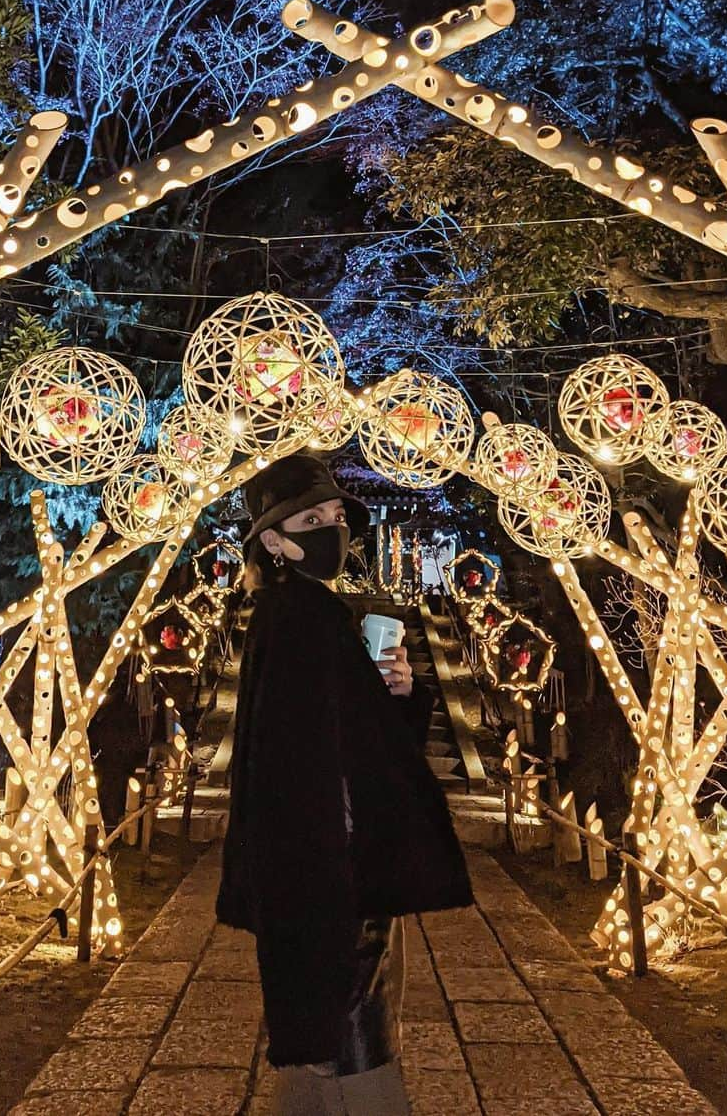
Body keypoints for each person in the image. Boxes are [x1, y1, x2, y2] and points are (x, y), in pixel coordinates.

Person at [216, 454, 473, 1115]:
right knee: (357, 1044)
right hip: (334, 877)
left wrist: (397, 694)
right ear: (274, 540)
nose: (332, 528)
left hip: (318, 874)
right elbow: (312, 769)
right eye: (312, 519)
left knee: (320, 1048)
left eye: (335, 516)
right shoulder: (305, 618)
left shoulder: (292, 613)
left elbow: (350, 743)